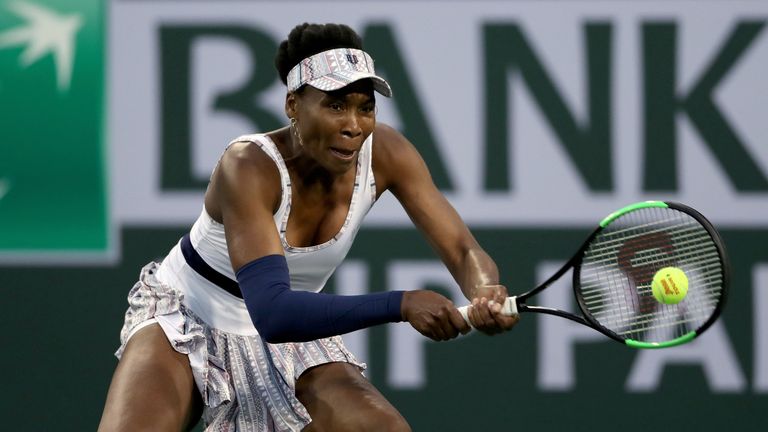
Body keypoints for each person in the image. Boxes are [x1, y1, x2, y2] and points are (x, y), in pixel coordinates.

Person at [98, 22, 518, 432]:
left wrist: (483, 292)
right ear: (293, 105)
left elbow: (463, 250)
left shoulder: (388, 152)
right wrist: (401, 303)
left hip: (291, 330)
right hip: (191, 316)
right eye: (335, 104)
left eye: (365, 106)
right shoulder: (247, 167)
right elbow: (276, 314)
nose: (354, 124)